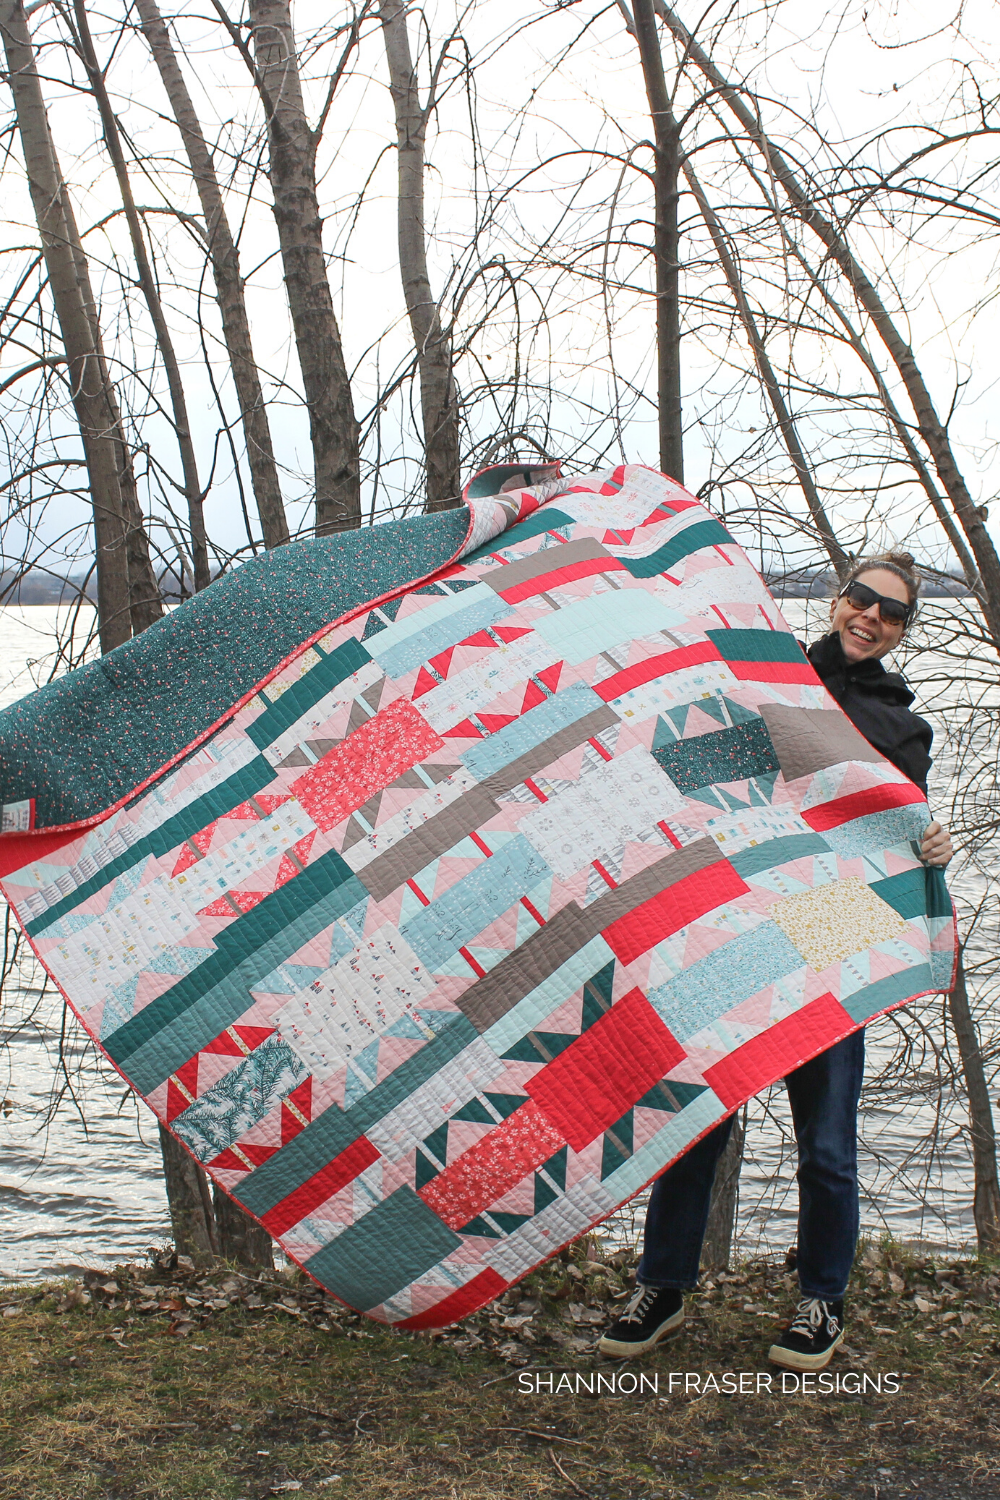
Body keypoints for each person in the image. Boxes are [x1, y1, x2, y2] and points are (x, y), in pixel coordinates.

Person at [599, 552, 953, 1370]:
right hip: (741, 922)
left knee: (825, 1144)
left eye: (891, 613)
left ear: (903, 631)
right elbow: (696, 773)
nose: (870, 617)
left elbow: (900, 835)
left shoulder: (905, 729)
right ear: (837, 600)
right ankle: (665, 1286)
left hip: (836, 928)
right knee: (699, 1122)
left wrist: (931, 844)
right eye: (862, 599)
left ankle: (821, 1301)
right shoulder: (768, 678)